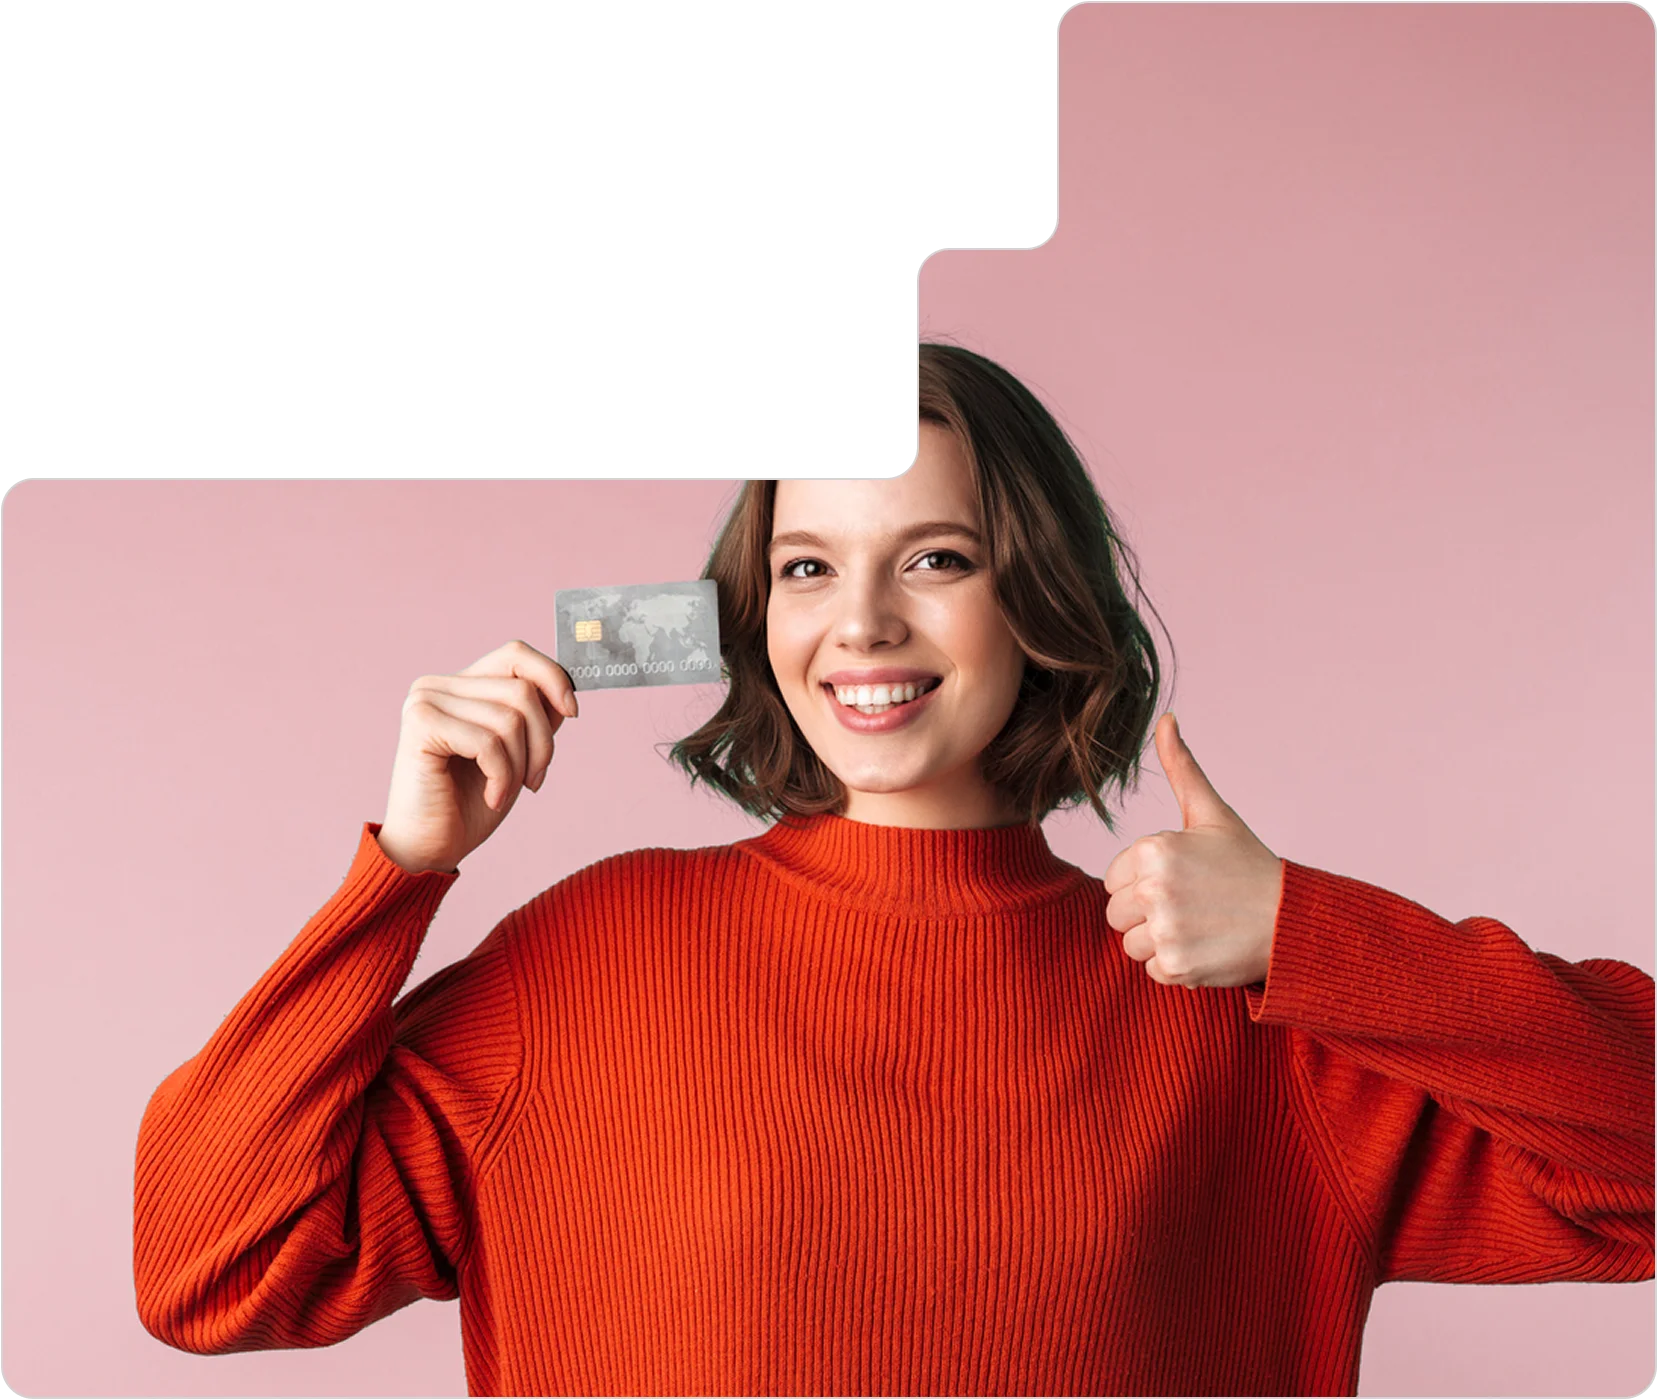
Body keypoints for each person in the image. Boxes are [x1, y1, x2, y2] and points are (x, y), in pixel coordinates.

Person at [133, 344, 1654, 1397]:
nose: (860, 624)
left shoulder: (1235, 1004)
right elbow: (205, 1262)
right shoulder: (585, 960)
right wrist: (401, 869)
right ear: (753, 608)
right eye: (809, 566)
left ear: (1035, 590)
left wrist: (1312, 935)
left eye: (935, 556)